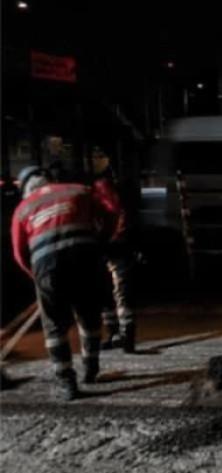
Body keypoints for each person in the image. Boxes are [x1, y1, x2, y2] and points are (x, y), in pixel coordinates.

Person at [10, 166, 120, 400]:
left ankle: (67, 383)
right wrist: (102, 240)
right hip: (85, 258)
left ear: (26, 187)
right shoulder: (78, 190)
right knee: (88, 315)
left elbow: (19, 253)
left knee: (54, 326)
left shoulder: (22, 209)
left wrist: (38, 277)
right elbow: (111, 210)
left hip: (47, 266)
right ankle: (90, 368)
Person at [90, 146, 136, 353]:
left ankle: (122, 335)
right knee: (114, 292)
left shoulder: (102, 186)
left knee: (115, 292)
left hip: (113, 246)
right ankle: (121, 334)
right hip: (114, 245)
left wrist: (111, 239)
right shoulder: (113, 185)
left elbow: (117, 214)